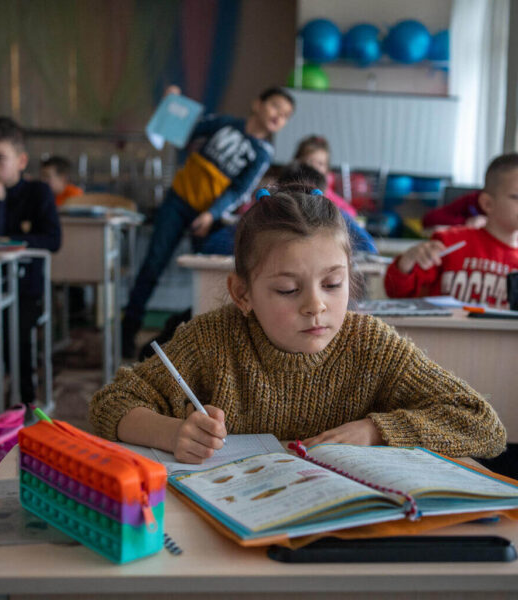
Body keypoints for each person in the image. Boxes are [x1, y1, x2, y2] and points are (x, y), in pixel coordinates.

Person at [90, 182, 506, 464]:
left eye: (332, 284)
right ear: (243, 294)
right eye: (288, 290)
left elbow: (482, 424)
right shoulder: (213, 339)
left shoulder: (371, 345)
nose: (315, 306)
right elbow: (112, 403)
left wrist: (376, 430)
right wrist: (172, 433)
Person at [121, 86, 295, 358]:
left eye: (285, 115)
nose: (278, 116)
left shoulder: (262, 152)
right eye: (275, 106)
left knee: (205, 278)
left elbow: (240, 190)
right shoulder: (225, 123)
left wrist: (211, 214)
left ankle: (186, 340)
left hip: (208, 217)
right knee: (153, 264)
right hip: (178, 202)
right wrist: (171, 103)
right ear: (257, 104)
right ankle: (127, 331)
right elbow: (185, 127)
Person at [0, 116, 62, 404]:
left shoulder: (39, 193)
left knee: (15, 331)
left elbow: (52, 240)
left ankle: (25, 398)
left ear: (21, 161)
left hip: (26, 291)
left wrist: (13, 242)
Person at [385, 153, 518, 308]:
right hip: (443, 332)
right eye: (516, 196)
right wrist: (407, 261)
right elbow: (396, 292)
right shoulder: (450, 242)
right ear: (487, 203)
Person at [293, 135, 357, 217]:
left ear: (327, 169)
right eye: (310, 162)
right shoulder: (291, 186)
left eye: (320, 164)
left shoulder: (326, 192)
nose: (315, 167)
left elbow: (350, 212)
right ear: (298, 162)